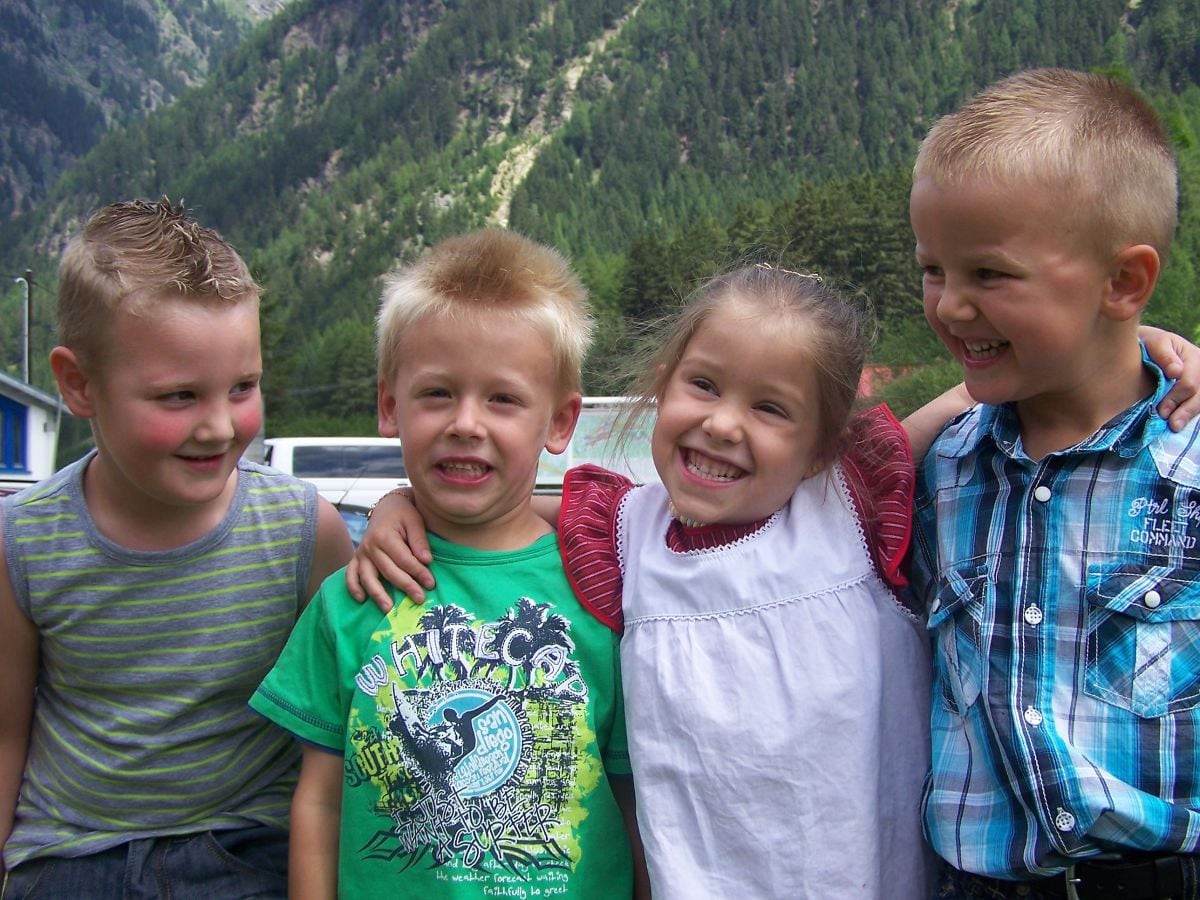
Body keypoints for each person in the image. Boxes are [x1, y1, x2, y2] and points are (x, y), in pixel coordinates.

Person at [355, 262, 955, 898]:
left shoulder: (850, 504)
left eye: (770, 407)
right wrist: (404, 503)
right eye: (703, 385)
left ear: (823, 447)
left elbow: (975, 396)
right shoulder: (624, 533)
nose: (723, 424)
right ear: (662, 388)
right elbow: (498, 510)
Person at [249, 228, 647, 899]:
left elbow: (632, 800)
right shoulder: (352, 597)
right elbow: (316, 801)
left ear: (559, 421)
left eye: (503, 399)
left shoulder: (602, 594)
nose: (467, 422)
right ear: (388, 405)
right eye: (437, 393)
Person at [0, 198, 354, 899]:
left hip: (248, 848)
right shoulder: (25, 541)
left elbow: (350, 716)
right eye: (179, 396)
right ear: (78, 384)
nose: (221, 426)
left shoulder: (302, 532)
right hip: (72, 857)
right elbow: (5, 731)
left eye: (243, 387)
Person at [909, 68, 1200, 898]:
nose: (952, 307)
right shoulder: (945, 472)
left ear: (1124, 283)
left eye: (990, 276)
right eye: (934, 269)